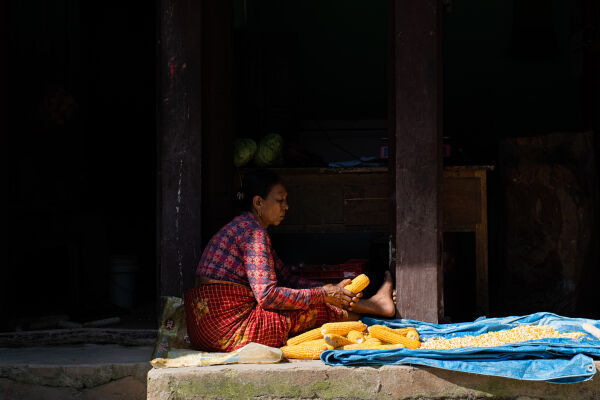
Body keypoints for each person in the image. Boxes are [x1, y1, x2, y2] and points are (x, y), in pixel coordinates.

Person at [184, 169, 396, 352]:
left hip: (203, 332)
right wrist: (324, 295)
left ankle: (375, 304)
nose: (286, 207)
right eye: (279, 200)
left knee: (315, 301)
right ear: (258, 202)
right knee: (316, 311)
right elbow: (267, 296)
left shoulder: (242, 227)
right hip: (229, 330)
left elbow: (287, 280)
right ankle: (376, 306)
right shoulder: (253, 234)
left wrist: (332, 290)